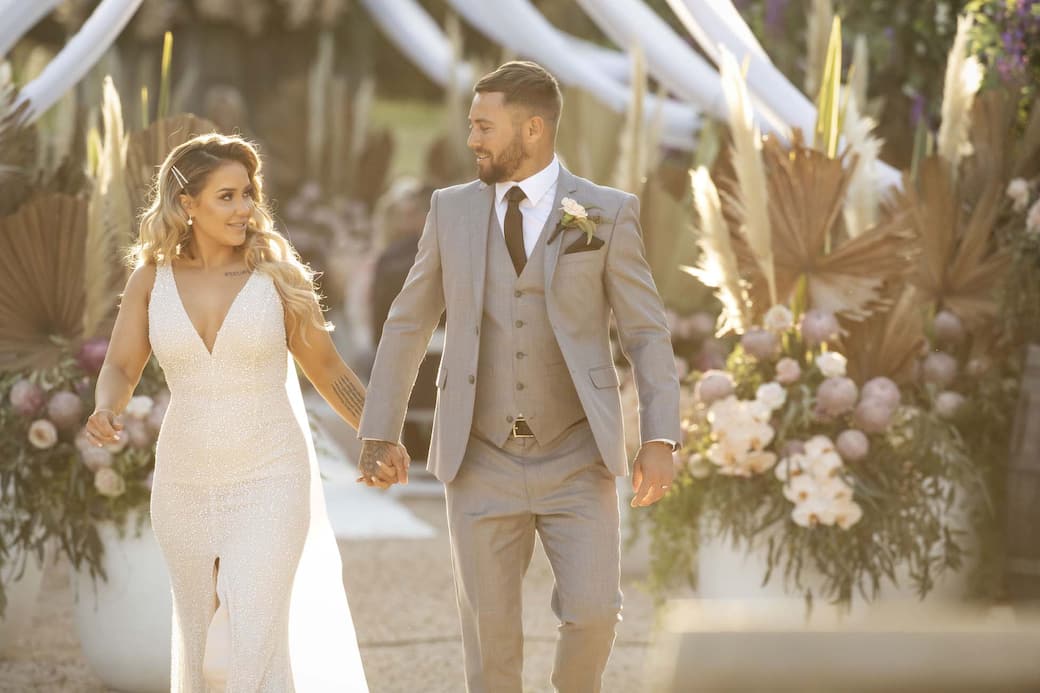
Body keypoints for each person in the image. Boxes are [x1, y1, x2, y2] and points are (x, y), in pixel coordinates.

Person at [357, 61, 681, 693]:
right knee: (491, 639)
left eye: (483, 125)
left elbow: (646, 333)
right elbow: (407, 322)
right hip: (480, 457)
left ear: (532, 129)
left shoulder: (607, 212)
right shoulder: (450, 211)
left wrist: (661, 438)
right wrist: (380, 430)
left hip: (578, 454)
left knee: (595, 613)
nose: (472, 139)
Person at [84, 133, 406, 691]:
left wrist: (377, 436)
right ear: (187, 204)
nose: (245, 208)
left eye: (248, 194)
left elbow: (328, 371)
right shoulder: (150, 279)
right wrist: (106, 408)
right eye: (226, 196)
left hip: (270, 479)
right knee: (204, 642)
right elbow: (120, 365)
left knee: (253, 634)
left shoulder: (277, 277)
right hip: (183, 483)